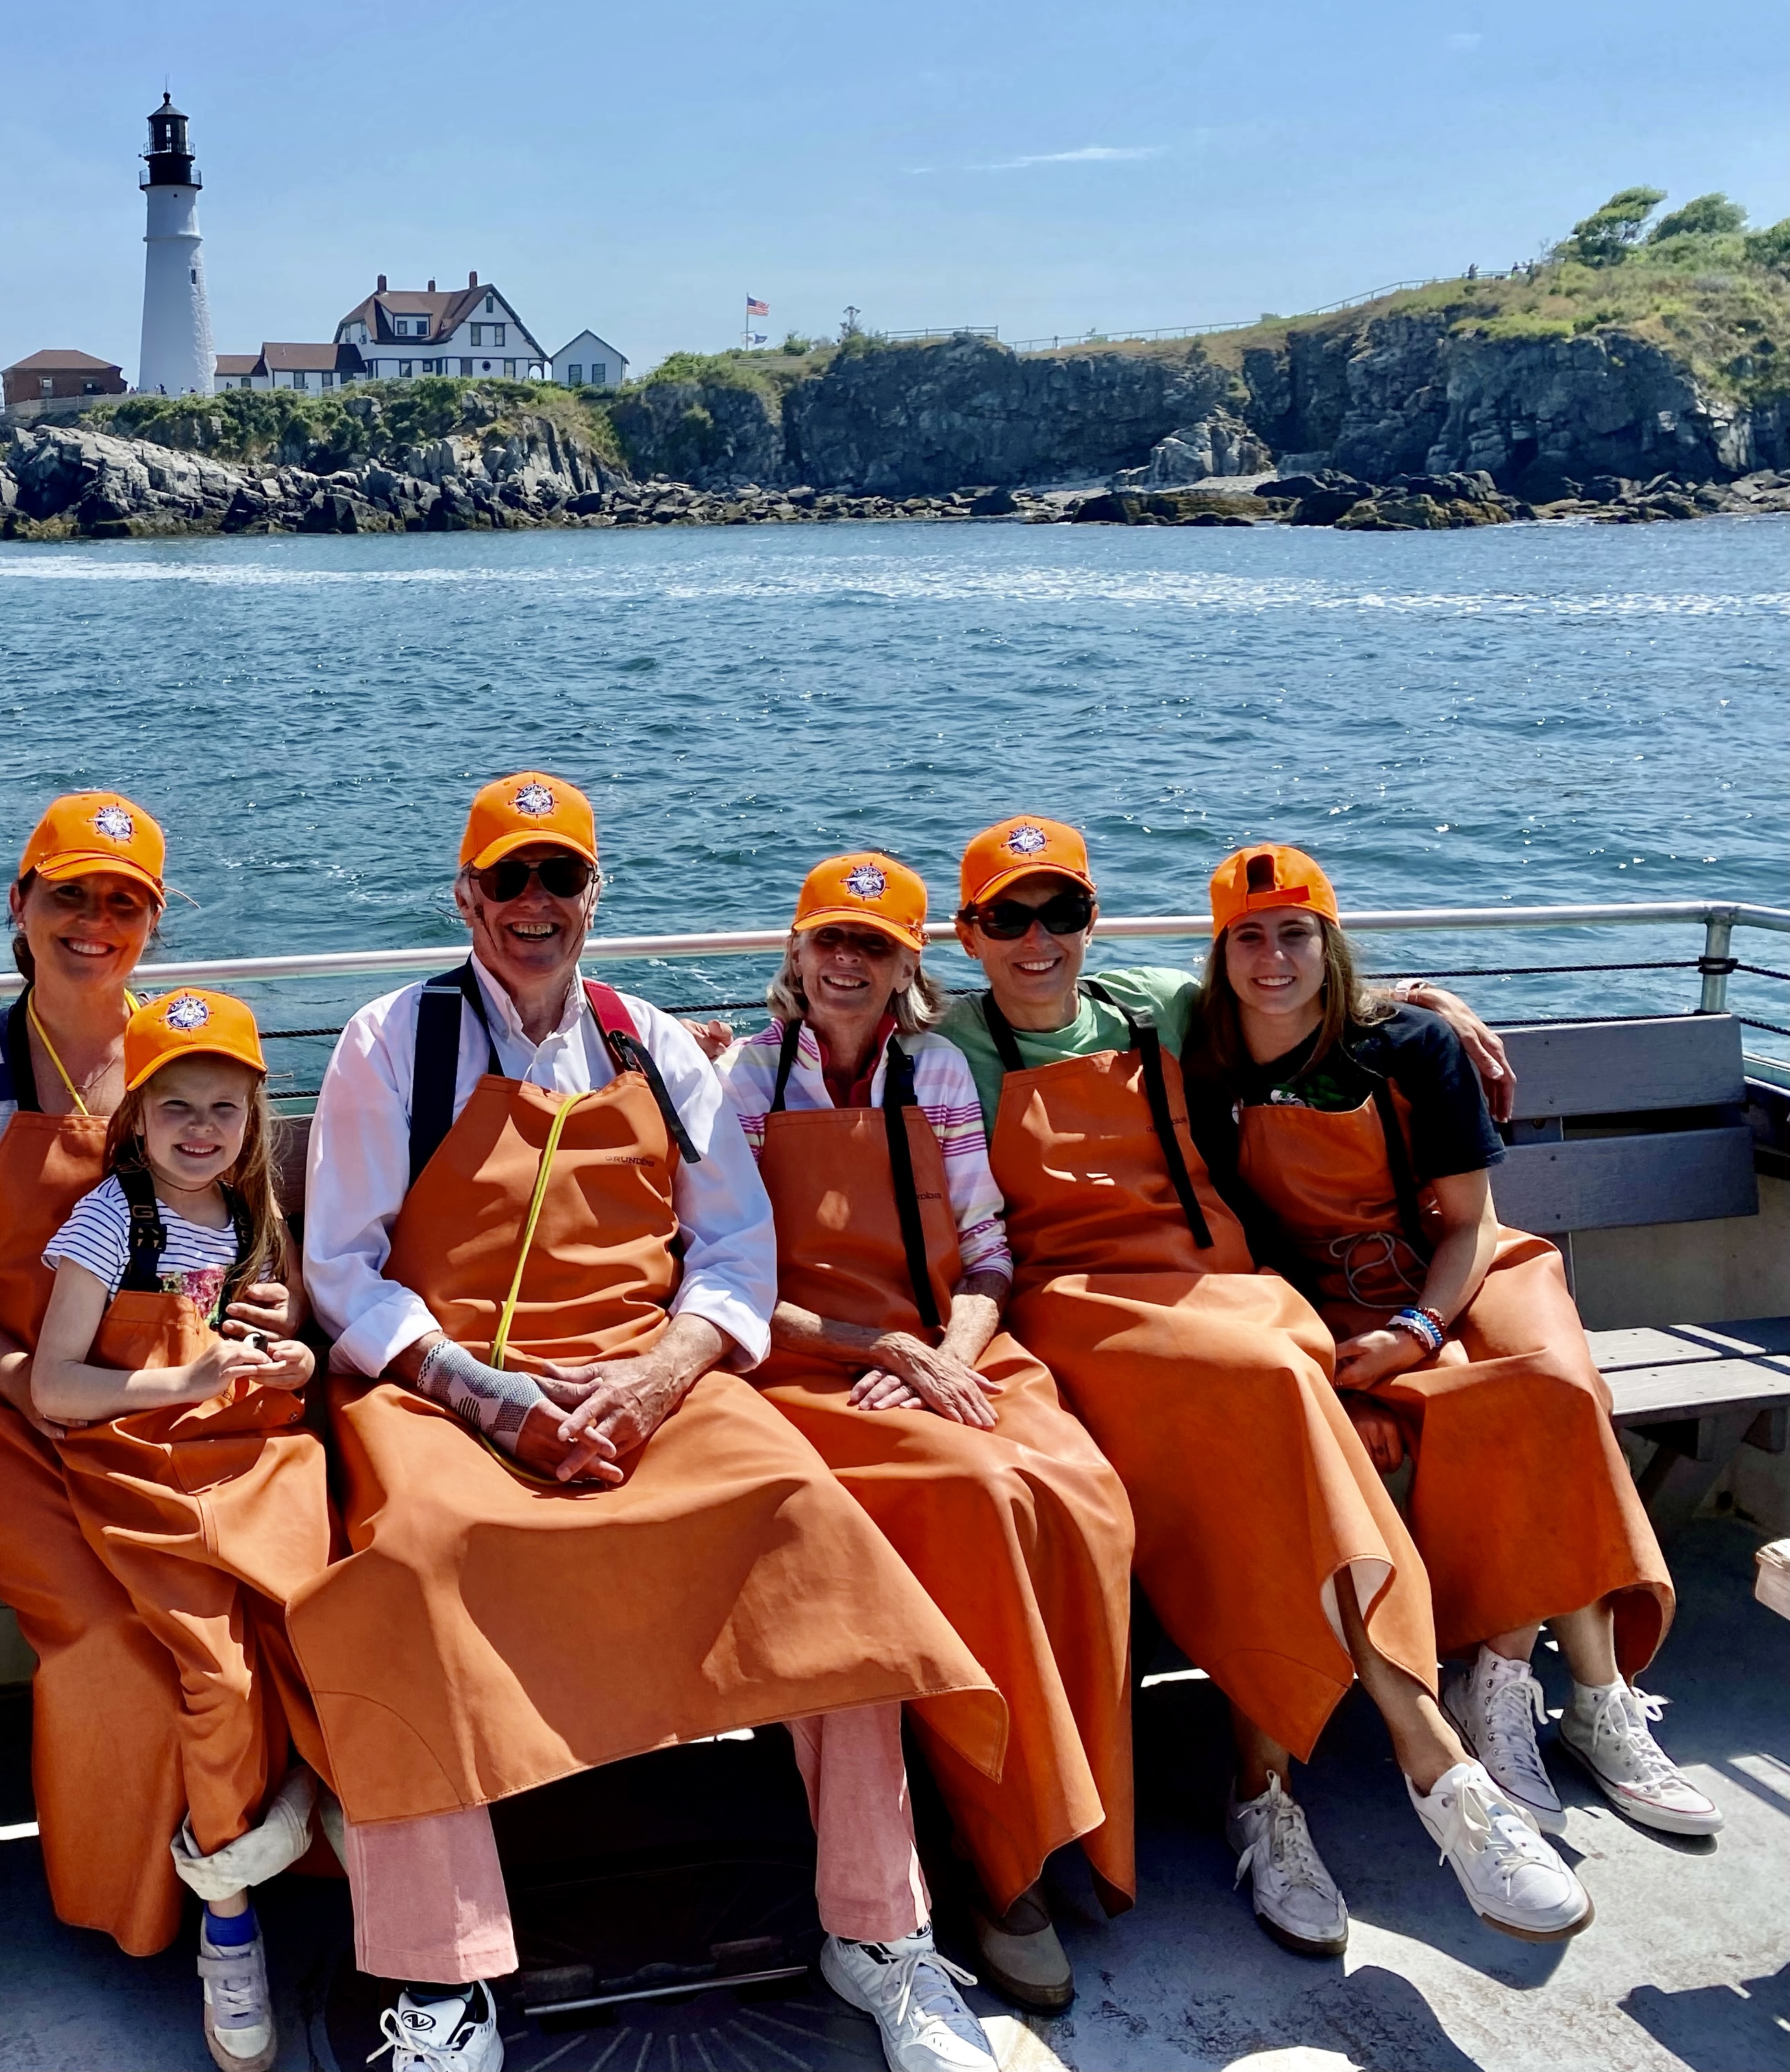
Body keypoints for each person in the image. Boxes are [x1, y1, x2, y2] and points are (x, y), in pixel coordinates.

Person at [297, 772, 1010, 2072]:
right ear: (465, 897)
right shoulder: (390, 1042)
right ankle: (440, 1985)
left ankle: (881, 1933)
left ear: (595, 895)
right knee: (412, 1568)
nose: (534, 903)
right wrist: (489, 1396)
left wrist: (661, 1375)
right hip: (447, 1385)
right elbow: (343, 1267)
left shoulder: (658, 1045)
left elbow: (733, 1250)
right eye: (508, 878)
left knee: (812, 1524)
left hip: (648, 1371)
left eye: (559, 877)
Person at [933, 814, 1593, 1955]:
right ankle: (1436, 1764)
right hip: (1085, 1311)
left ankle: (1270, 1794)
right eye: (1009, 918)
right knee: (1280, 1385)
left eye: (1063, 912)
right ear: (968, 935)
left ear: (1094, 919)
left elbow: (1296, 990)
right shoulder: (947, 1047)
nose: (1038, 941)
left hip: (1224, 1288)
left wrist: (1422, 1002)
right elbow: (821, 1050)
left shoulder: (1158, 1006)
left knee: (1284, 1395)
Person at [1186, 844, 1707, 1838]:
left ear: (1330, 944)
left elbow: (1470, 1222)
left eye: (1296, 934)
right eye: (1247, 938)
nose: (1273, 959)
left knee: (1557, 1390)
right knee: (1489, 1409)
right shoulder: (1203, 1063)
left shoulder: (1410, 1045)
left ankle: (1565, 1690)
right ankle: (1509, 1681)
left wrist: (1421, 1328)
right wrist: (1365, 1351)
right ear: (1219, 954)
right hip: (1330, 1299)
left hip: (1461, 1270)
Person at [716, 851, 1137, 2012]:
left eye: (876, 945)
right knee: (980, 1498)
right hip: (811, 1369)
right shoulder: (746, 1080)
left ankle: (1065, 1813)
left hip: (950, 1347)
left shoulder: (937, 1068)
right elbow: (731, 1282)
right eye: (831, 940)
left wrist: (948, 1353)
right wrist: (883, 1352)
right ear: (796, 954)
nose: (849, 963)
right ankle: (1004, 1863)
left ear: (910, 966)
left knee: (1085, 1497)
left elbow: (989, 1252)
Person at [0, 793, 300, 1960]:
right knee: (114, 1636)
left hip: (175, 1414)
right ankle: (156, 1915)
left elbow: (250, 1232)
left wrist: (275, 1308)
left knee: (271, 1609)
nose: (95, 922)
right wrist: (22, 1377)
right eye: (70, 894)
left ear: (154, 925)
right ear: (19, 906)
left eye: (125, 902)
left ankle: (265, 1868)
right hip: (4, 1420)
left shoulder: (188, 1059)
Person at [30, 989, 334, 2072]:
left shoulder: (254, 1217)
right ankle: (229, 1915)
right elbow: (55, 1386)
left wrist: (294, 1356)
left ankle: (351, 1850)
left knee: (335, 1630)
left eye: (223, 1108)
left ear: (254, 1118)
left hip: (253, 1461)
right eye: (177, 1108)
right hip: (145, 1475)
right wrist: (182, 1380)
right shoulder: (109, 1221)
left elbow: (279, 1333)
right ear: (136, 1120)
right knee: (217, 1675)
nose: (201, 1130)